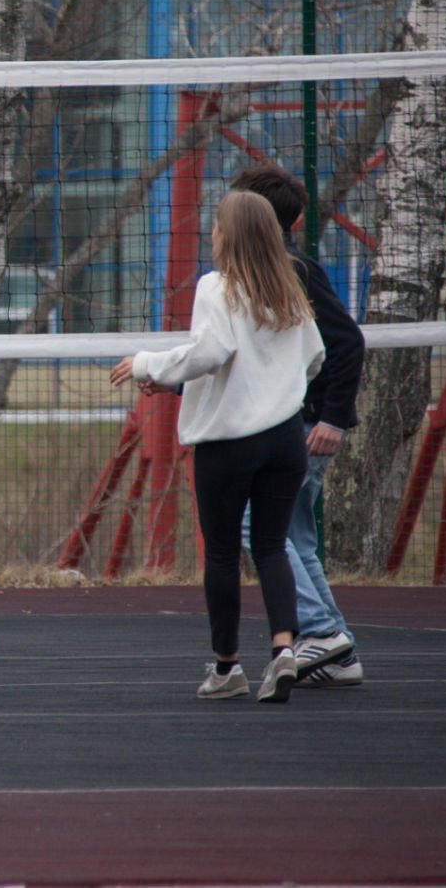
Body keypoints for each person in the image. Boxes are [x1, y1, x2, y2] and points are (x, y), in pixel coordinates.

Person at [111, 190, 325, 703]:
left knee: (223, 554)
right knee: (272, 546)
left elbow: (211, 353)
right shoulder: (289, 289)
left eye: (216, 226)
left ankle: (227, 667)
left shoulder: (216, 286)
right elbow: (315, 357)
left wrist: (147, 364)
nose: (211, 235)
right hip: (285, 439)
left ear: (228, 236)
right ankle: (283, 649)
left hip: (229, 444)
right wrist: (273, 388)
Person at [230, 164, 366, 687]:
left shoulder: (292, 271)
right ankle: (340, 653)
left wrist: (333, 418)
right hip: (292, 423)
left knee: (254, 525)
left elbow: (346, 342)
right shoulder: (259, 272)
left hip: (304, 426)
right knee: (296, 539)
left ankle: (320, 631)